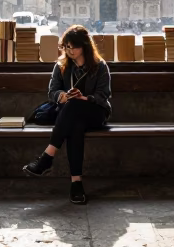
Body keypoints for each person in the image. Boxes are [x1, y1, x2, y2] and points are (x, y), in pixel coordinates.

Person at [22, 24, 112, 204]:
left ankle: (47, 157)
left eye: (73, 46)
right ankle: (76, 184)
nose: (69, 51)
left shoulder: (99, 66)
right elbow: (52, 91)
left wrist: (85, 98)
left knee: (75, 106)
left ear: (84, 45)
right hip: (71, 115)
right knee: (75, 125)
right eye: (66, 47)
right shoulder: (61, 66)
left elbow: (104, 96)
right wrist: (61, 96)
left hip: (95, 113)